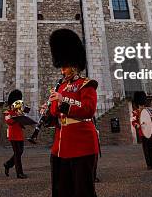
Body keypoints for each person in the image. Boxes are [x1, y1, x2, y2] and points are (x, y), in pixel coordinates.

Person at [48, 29, 99, 197]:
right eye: (61, 66)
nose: (62, 71)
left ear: (74, 66)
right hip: (61, 146)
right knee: (62, 190)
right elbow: (56, 113)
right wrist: (48, 112)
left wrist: (64, 102)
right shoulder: (60, 87)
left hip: (81, 144)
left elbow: (88, 110)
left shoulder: (87, 85)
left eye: (65, 67)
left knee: (83, 190)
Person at [3, 89, 27, 179]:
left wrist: (22, 116)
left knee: (20, 152)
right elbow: (9, 121)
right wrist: (16, 116)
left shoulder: (18, 111)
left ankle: (8, 164)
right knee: (17, 153)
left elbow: (21, 122)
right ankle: (19, 173)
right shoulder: (8, 112)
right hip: (13, 135)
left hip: (19, 134)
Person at [131, 91, 152, 170]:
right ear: (138, 104)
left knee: (151, 148)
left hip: (149, 131)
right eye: (141, 105)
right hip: (142, 132)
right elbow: (133, 122)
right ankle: (149, 164)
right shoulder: (135, 112)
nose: (142, 106)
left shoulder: (147, 111)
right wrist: (137, 125)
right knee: (146, 149)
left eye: (143, 104)